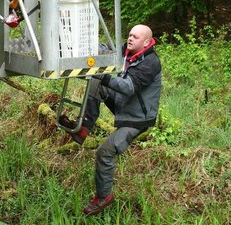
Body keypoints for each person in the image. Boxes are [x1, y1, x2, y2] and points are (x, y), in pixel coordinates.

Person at [59, 24, 162, 215]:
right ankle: (83, 129)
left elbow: (129, 87)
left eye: (135, 37)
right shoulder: (128, 50)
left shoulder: (151, 63)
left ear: (146, 42)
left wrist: (102, 75)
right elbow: (108, 50)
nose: (130, 39)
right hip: (123, 106)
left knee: (104, 152)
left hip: (137, 119)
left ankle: (103, 197)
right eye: (130, 35)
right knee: (96, 82)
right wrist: (86, 47)